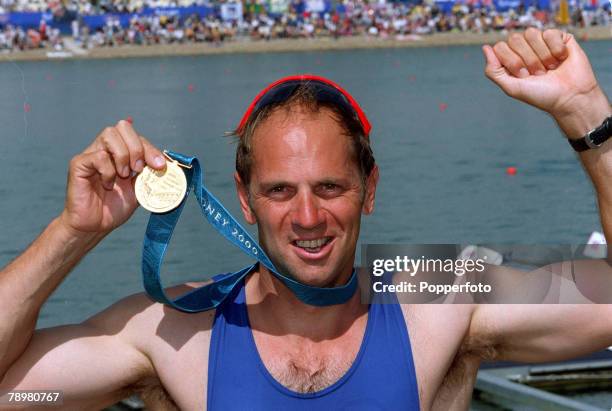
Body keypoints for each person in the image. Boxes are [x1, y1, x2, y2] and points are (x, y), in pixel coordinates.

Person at [0, 28, 611, 410]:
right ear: (244, 199)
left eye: (330, 187)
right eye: (279, 191)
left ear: (369, 188)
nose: (308, 216)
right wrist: (72, 233)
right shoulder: (176, 331)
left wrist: (585, 112)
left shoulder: (440, 297)